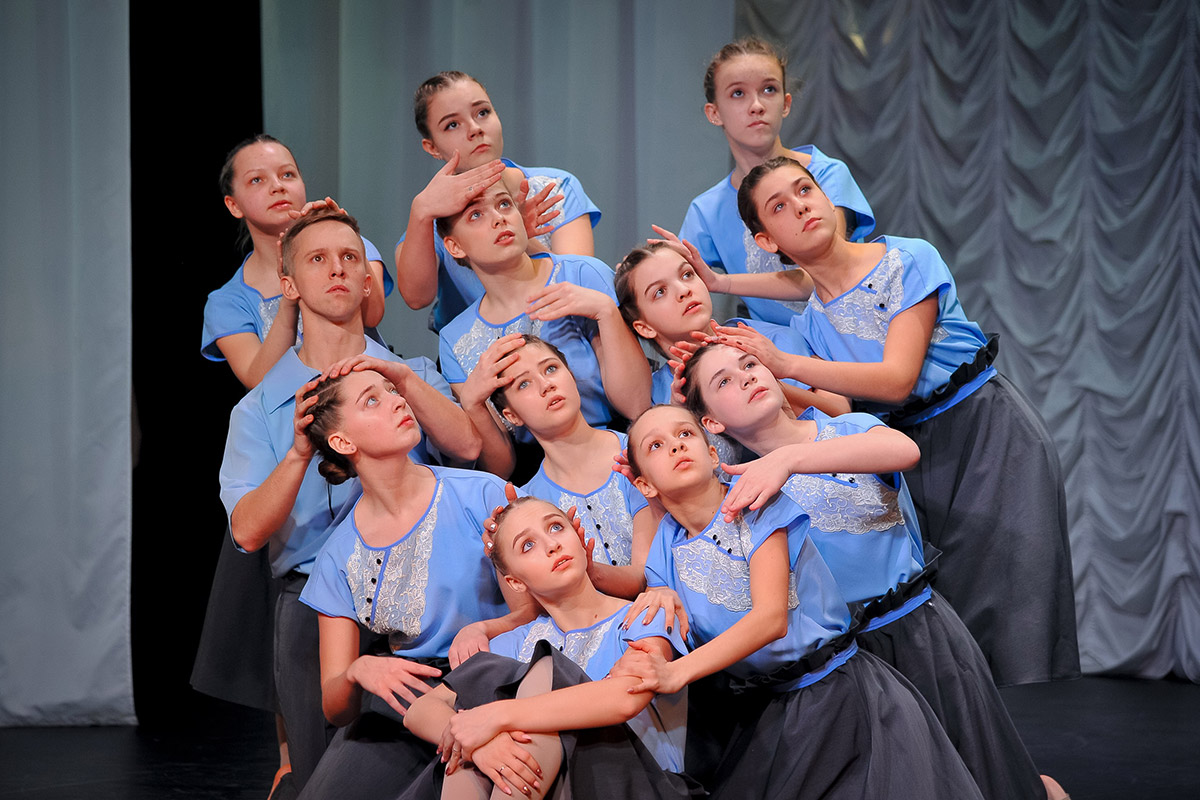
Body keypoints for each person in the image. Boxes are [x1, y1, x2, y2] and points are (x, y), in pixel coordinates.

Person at [729, 155, 1080, 687]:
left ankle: (1006, 738)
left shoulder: (906, 258)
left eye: (805, 190)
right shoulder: (814, 322)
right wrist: (764, 377)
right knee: (949, 603)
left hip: (984, 432)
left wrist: (786, 364)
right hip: (913, 451)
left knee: (1006, 601)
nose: (800, 206)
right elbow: (845, 410)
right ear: (766, 240)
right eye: (779, 206)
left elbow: (896, 379)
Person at [680, 342, 1065, 800]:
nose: (745, 376)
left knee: (979, 771)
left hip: (918, 634)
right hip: (844, 664)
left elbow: (903, 450)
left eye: (749, 364)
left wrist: (787, 458)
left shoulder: (849, 428)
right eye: (724, 380)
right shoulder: (733, 495)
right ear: (711, 423)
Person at [219, 209, 482, 792]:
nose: (337, 269)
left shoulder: (411, 375)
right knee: (326, 776)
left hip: (427, 597)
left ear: (368, 278)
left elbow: (468, 446)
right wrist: (297, 455)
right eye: (318, 259)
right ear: (289, 285)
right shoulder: (259, 408)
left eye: (350, 258)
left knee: (444, 765)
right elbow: (247, 532)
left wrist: (401, 381)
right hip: (315, 601)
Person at [615, 404, 986, 800]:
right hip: (770, 707)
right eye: (656, 445)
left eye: (685, 434)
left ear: (711, 453)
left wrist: (677, 672)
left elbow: (771, 618)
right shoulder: (666, 545)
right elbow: (655, 599)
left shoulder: (758, 506)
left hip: (836, 691)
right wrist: (649, 590)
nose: (675, 446)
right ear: (645, 486)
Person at [292, 362, 536, 800]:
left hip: (500, 676)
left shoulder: (481, 494)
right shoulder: (337, 556)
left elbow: (542, 609)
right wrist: (358, 670)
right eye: (372, 400)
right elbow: (335, 705)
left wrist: (484, 628)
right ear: (343, 442)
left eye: (391, 390)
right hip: (408, 699)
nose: (397, 401)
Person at [397, 494, 700, 800]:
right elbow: (420, 710)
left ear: (578, 538)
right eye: (528, 545)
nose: (552, 545)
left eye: (556, 527)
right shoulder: (512, 644)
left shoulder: (646, 612)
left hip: (639, 785)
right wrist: (482, 747)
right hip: (553, 786)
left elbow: (625, 698)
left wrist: (498, 716)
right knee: (470, 751)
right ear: (515, 583)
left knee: (546, 674)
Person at [436, 184, 651, 477]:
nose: (499, 218)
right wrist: (473, 405)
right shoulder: (456, 339)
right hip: (538, 474)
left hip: (621, 450)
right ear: (454, 246)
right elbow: (501, 469)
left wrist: (606, 311)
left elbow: (637, 405)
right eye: (476, 215)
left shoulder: (581, 274)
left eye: (504, 204)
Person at [678, 36, 874, 326]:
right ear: (714, 113)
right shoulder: (707, 211)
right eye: (738, 93)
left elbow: (823, 273)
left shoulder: (826, 175)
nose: (757, 105)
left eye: (769, 89)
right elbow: (677, 282)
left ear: (785, 103)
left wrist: (722, 282)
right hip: (773, 347)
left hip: (852, 332)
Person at [395, 71, 601, 331]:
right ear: (432, 147)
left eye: (482, 112)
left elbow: (579, 285)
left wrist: (522, 239)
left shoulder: (555, 186)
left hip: (562, 338)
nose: (475, 129)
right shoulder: (435, 219)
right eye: (452, 125)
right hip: (479, 353)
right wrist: (421, 210)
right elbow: (416, 298)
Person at [203, 134, 393, 389]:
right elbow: (259, 381)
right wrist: (290, 301)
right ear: (233, 205)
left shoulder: (352, 248)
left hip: (371, 393)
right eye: (257, 179)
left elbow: (372, 315)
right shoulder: (226, 302)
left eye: (287, 174)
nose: (277, 186)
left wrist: (347, 232)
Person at [487, 335, 656, 599]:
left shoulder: (640, 451)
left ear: (571, 375)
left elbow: (645, 576)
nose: (546, 385)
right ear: (512, 415)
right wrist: (502, 552)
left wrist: (590, 571)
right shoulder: (530, 501)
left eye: (551, 368)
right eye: (524, 384)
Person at [614, 236, 846, 416]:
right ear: (644, 328)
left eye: (686, 275)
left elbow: (841, 412)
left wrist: (768, 382)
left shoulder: (772, 340)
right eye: (660, 292)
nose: (684, 290)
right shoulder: (655, 397)